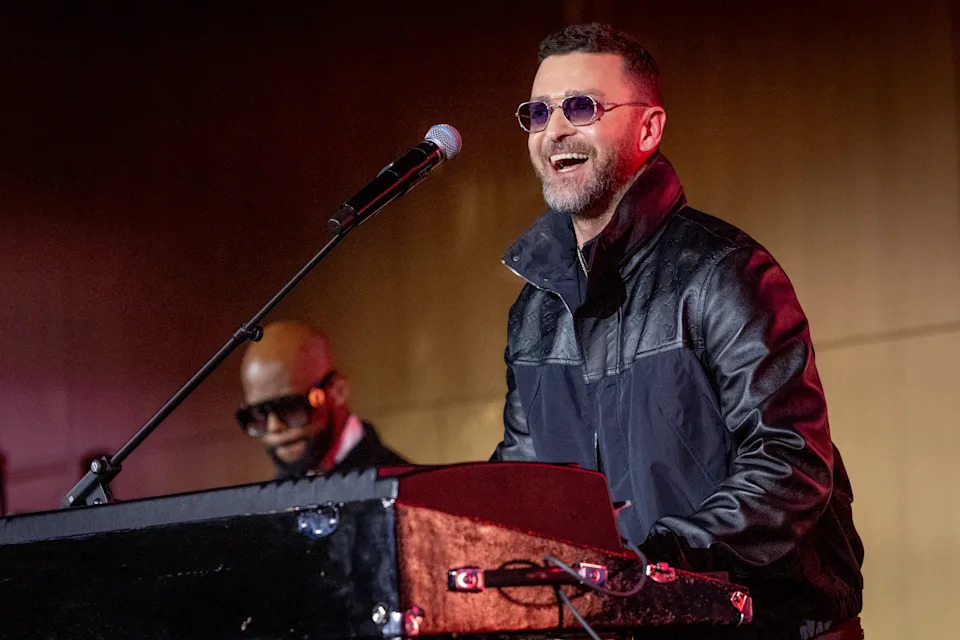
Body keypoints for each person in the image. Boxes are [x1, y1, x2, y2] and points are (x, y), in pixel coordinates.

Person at [491, 23, 863, 640]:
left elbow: (789, 462)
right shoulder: (534, 313)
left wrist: (658, 565)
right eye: (538, 112)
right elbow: (524, 484)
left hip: (769, 624)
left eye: (581, 107)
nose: (555, 129)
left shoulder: (724, 271)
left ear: (648, 128)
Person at [238, 320, 406, 478]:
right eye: (257, 414)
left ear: (338, 391)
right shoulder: (270, 500)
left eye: (289, 407)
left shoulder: (402, 487)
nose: (274, 427)